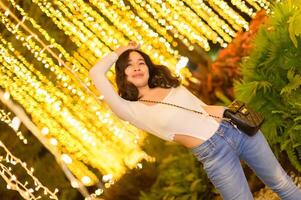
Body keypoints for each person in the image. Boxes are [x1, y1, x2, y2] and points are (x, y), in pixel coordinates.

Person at [89, 41, 301, 200]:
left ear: (149, 67)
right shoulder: (129, 110)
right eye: (129, 64)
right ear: (122, 73)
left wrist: (226, 112)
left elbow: (201, 108)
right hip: (213, 154)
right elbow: (96, 73)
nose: (136, 67)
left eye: (141, 62)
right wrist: (119, 52)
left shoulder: (169, 84)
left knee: (282, 183)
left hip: (235, 129)